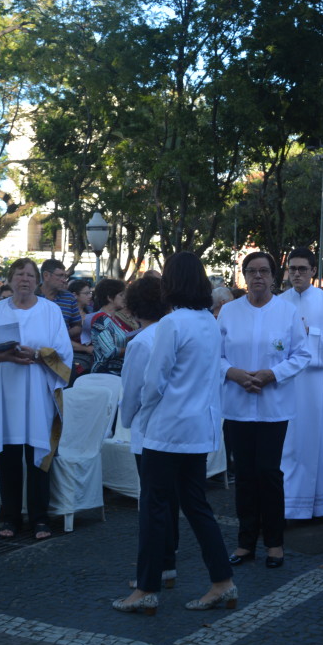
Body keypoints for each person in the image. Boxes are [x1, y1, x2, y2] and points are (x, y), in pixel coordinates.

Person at [113, 252, 237, 615]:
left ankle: (147, 588)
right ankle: (222, 581)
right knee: (196, 506)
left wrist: (144, 412)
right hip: (197, 428)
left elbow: (154, 382)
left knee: (154, 509)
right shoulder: (208, 321)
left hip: (166, 430)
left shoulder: (172, 323)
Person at [0, 258, 73, 541]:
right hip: (5, 393)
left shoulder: (50, 311)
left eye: (29, 275)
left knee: (37, 454)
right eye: (19, 274)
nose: (24, 279)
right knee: (8, 456)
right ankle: (11, 517)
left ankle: (40, 518)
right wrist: (3, 356)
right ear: (10, 279)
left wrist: (36, 354)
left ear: (37, 281)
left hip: (37, 390)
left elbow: (64, 351)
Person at [220, 251, 310, 568]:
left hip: (274, 406)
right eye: (252, 271)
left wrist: (273, 374)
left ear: (273, 276)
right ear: (244, 275)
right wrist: (233, 373)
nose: (258, 276)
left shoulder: (287, 312)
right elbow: (214, 355)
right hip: (237, 405)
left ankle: (274, 543)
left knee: (269, 473)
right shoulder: (229, 312)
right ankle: (245, 542)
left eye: (264, 271)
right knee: (244, 475)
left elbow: (302, 355)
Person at [119, 276, 176, 588]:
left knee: (152, 504)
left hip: (150, 428)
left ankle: (155, 570)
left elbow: (132, 391)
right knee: (169, 500)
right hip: (174, 426)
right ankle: (168, 560)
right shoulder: (173, 333)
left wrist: (127, 420)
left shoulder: (141, 342)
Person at [280, 248, 323, 520]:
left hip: (317, 386)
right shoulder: (279, 302)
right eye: (292, 268)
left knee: (317, 443)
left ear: (313, 271)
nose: (296, 274)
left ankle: (321, 505)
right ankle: (287, 504)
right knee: (288, 444)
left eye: (302, 269)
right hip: (287, 384)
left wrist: (307, 333)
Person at [90, 278, 132, 375]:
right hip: (106, 374)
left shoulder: (114, 318)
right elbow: (110, 351)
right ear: (109, 298)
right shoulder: (101, 319)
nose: (124, 298)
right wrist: (133, 348)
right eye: (121, 295)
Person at [39, 259, 82, 342]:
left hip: (60, 348)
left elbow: (77, 326)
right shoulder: (32, 296)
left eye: (65, 276)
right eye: (60, 276)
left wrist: (63, 335)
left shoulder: (69, 298)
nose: (64, 280)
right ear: (46, 275)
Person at [69, 279, 94, 376]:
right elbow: (63, 339)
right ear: (75, 295)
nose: (90, 296)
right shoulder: (67, 314)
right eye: (86, 293)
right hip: (74, 357)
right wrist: (85, 349)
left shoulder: (90, 311)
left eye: (90, 293)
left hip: (90, 356)